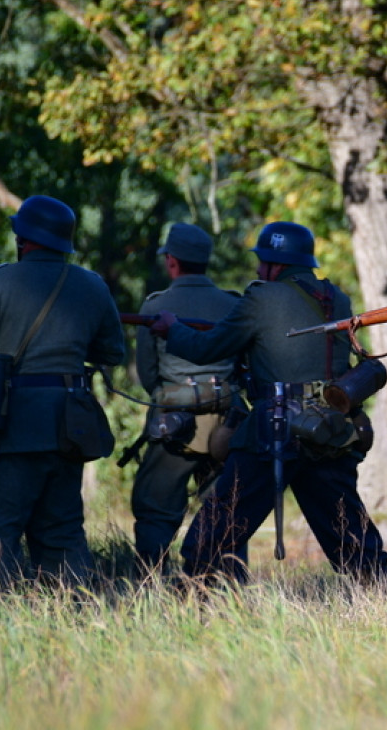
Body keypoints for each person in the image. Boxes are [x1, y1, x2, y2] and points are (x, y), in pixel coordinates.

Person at [149, 221, 387, 583]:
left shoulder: (262, 297)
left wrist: (173, 328)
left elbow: (206, 348)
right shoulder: (336, 298)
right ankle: (380, 591)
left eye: (262, 262)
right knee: (350, 536)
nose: (259, 269)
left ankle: (200, 596)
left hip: (274, 430)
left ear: (274, 266)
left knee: (214, 530)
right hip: (329, 428)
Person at [0, 196, 124, 585]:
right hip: (69, 427)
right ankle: (75, 614)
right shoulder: (92, 285)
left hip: (7, 425)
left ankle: (0, 615)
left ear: (23, 239)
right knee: (63, 531)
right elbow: (112, 352)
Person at [131, 223, 242, 571]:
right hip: (227, 423)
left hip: (173, 425)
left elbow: (149, 374)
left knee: (154, 507)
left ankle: (151, 583)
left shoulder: (156, 304)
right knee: (225, 508)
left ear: (171, 261)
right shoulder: (233, 304)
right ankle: (224, 583)